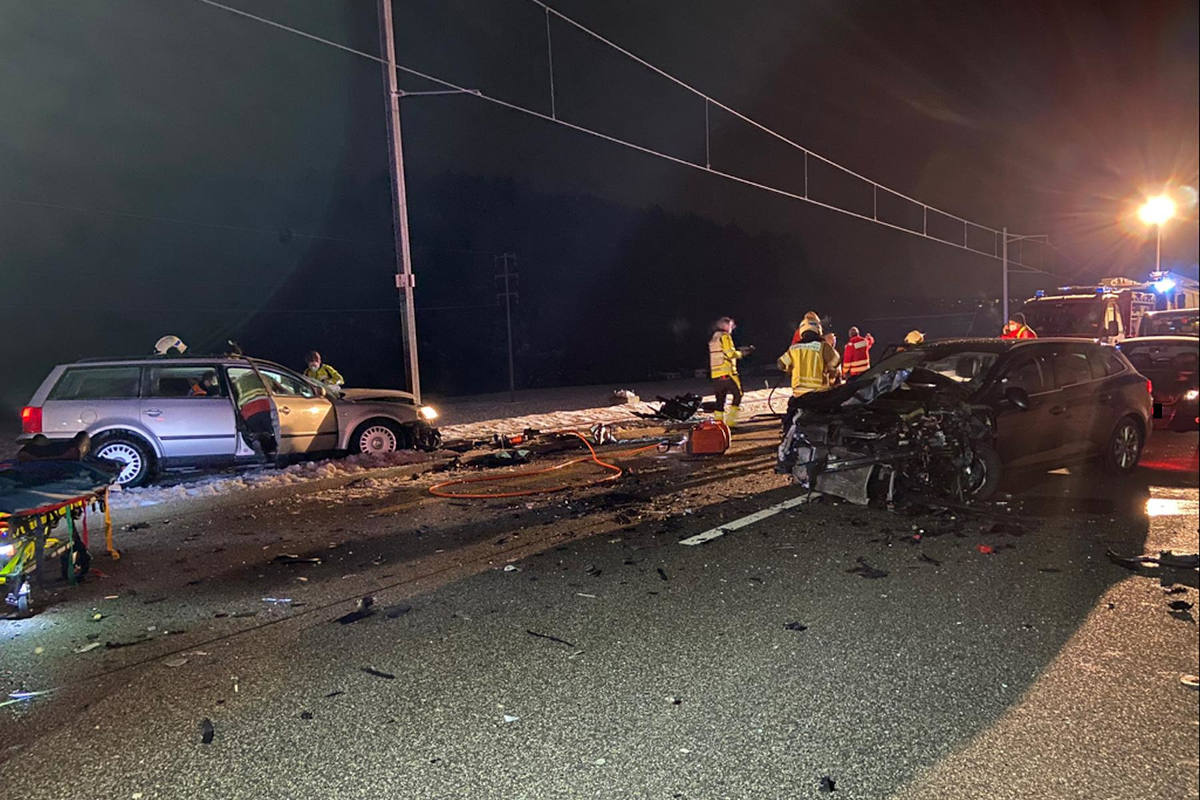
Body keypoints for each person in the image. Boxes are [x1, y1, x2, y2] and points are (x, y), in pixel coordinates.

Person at [777, 319, 839, 432]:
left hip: (799, 396)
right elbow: (835, 360)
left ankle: (787, 435)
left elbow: (781, 364)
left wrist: (791, 368)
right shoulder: (823, 347)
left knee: (790, 417)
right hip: (820, 395)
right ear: (818, 330)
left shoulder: (793, 349)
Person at [708, 317, 754, 428]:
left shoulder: (714, 339)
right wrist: (743, 353)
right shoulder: (725, 336)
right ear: (726, 325)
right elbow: (729, 354)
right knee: (738, 395)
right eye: (731, 326)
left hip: (715, 375)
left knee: (720, 399)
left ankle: (718, 424)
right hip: (728, 373)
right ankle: (731, 422)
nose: (732, 328)